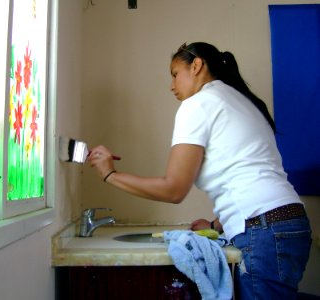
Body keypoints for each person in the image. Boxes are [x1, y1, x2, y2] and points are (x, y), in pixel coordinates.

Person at [88, 42, 312, 299]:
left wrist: (110, 175)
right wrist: (217, 224)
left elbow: (174, 189)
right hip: (290, 222)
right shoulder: (240, 100)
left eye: (175, 74)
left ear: (196, 65)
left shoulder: (199, 103)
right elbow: (248, 172)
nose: (171, 86)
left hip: (265, 231)